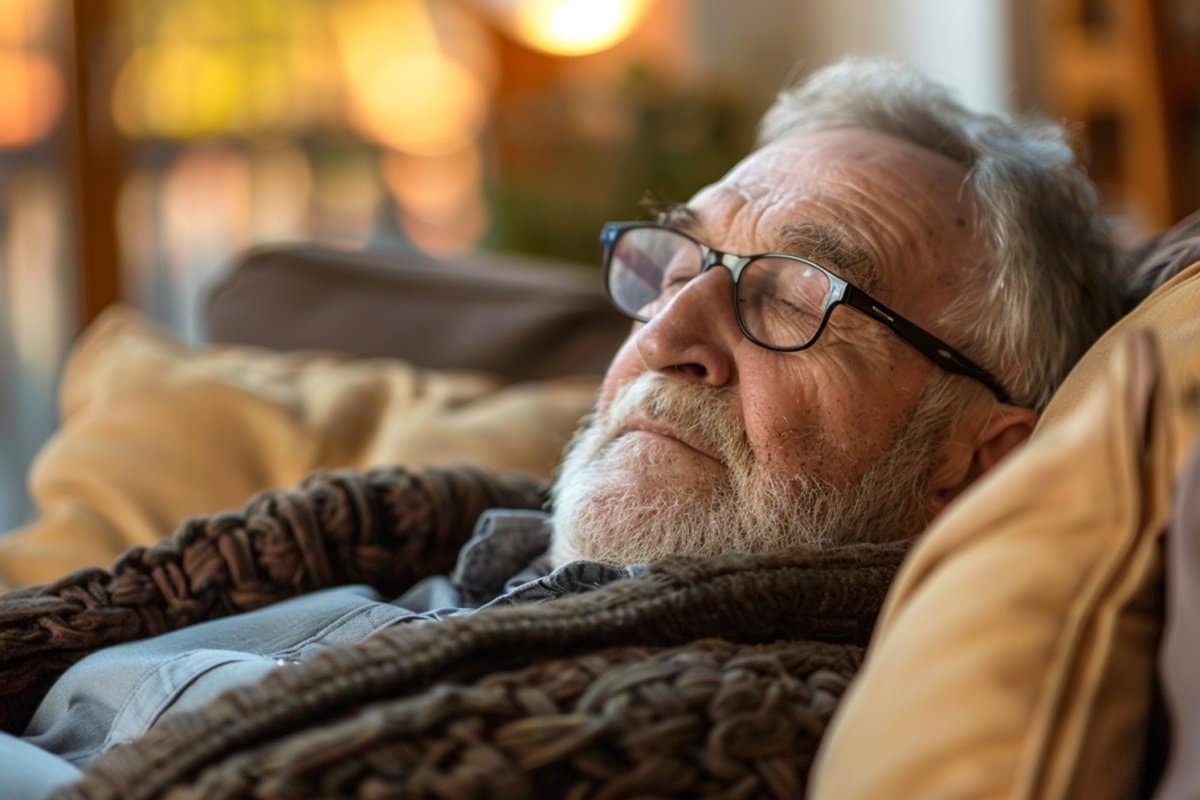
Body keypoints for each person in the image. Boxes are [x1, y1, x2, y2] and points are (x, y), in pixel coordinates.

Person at [4, 58, 1123, 795]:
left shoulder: (722, 735)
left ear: (975, 462)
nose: (669, 325)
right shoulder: (399, 544)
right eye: (678, 261)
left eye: (793, 288)